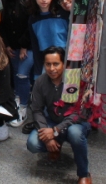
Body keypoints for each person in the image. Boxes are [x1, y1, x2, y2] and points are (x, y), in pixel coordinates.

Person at [27, 47, 92, 184]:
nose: (52, 68)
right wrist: (47, 138)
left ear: (64, 64)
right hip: (52, 121)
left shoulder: (75, 80)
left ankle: (84, 173)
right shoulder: (40, 82)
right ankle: (56, 145)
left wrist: (55, 131)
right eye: (48, 64)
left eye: (56, 64)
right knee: (32, 143)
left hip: (75, 123)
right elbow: (37, 110)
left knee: (75, 134)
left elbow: (80, 113)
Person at [0, 0, 32, 127]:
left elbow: (30, 24)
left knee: (22, 75)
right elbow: (2, 25)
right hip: (11, 47)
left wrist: (24, 45)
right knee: (15, 76)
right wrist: (6, 45)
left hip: (28, 46)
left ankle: (23, 106)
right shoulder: (4, 0)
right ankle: (18, 100)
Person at [28, 0, 69, 80]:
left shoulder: (63, 14)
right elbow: (35, 46)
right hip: (46, 62)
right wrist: (37, 72)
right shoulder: (33, 19)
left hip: (66, 59)